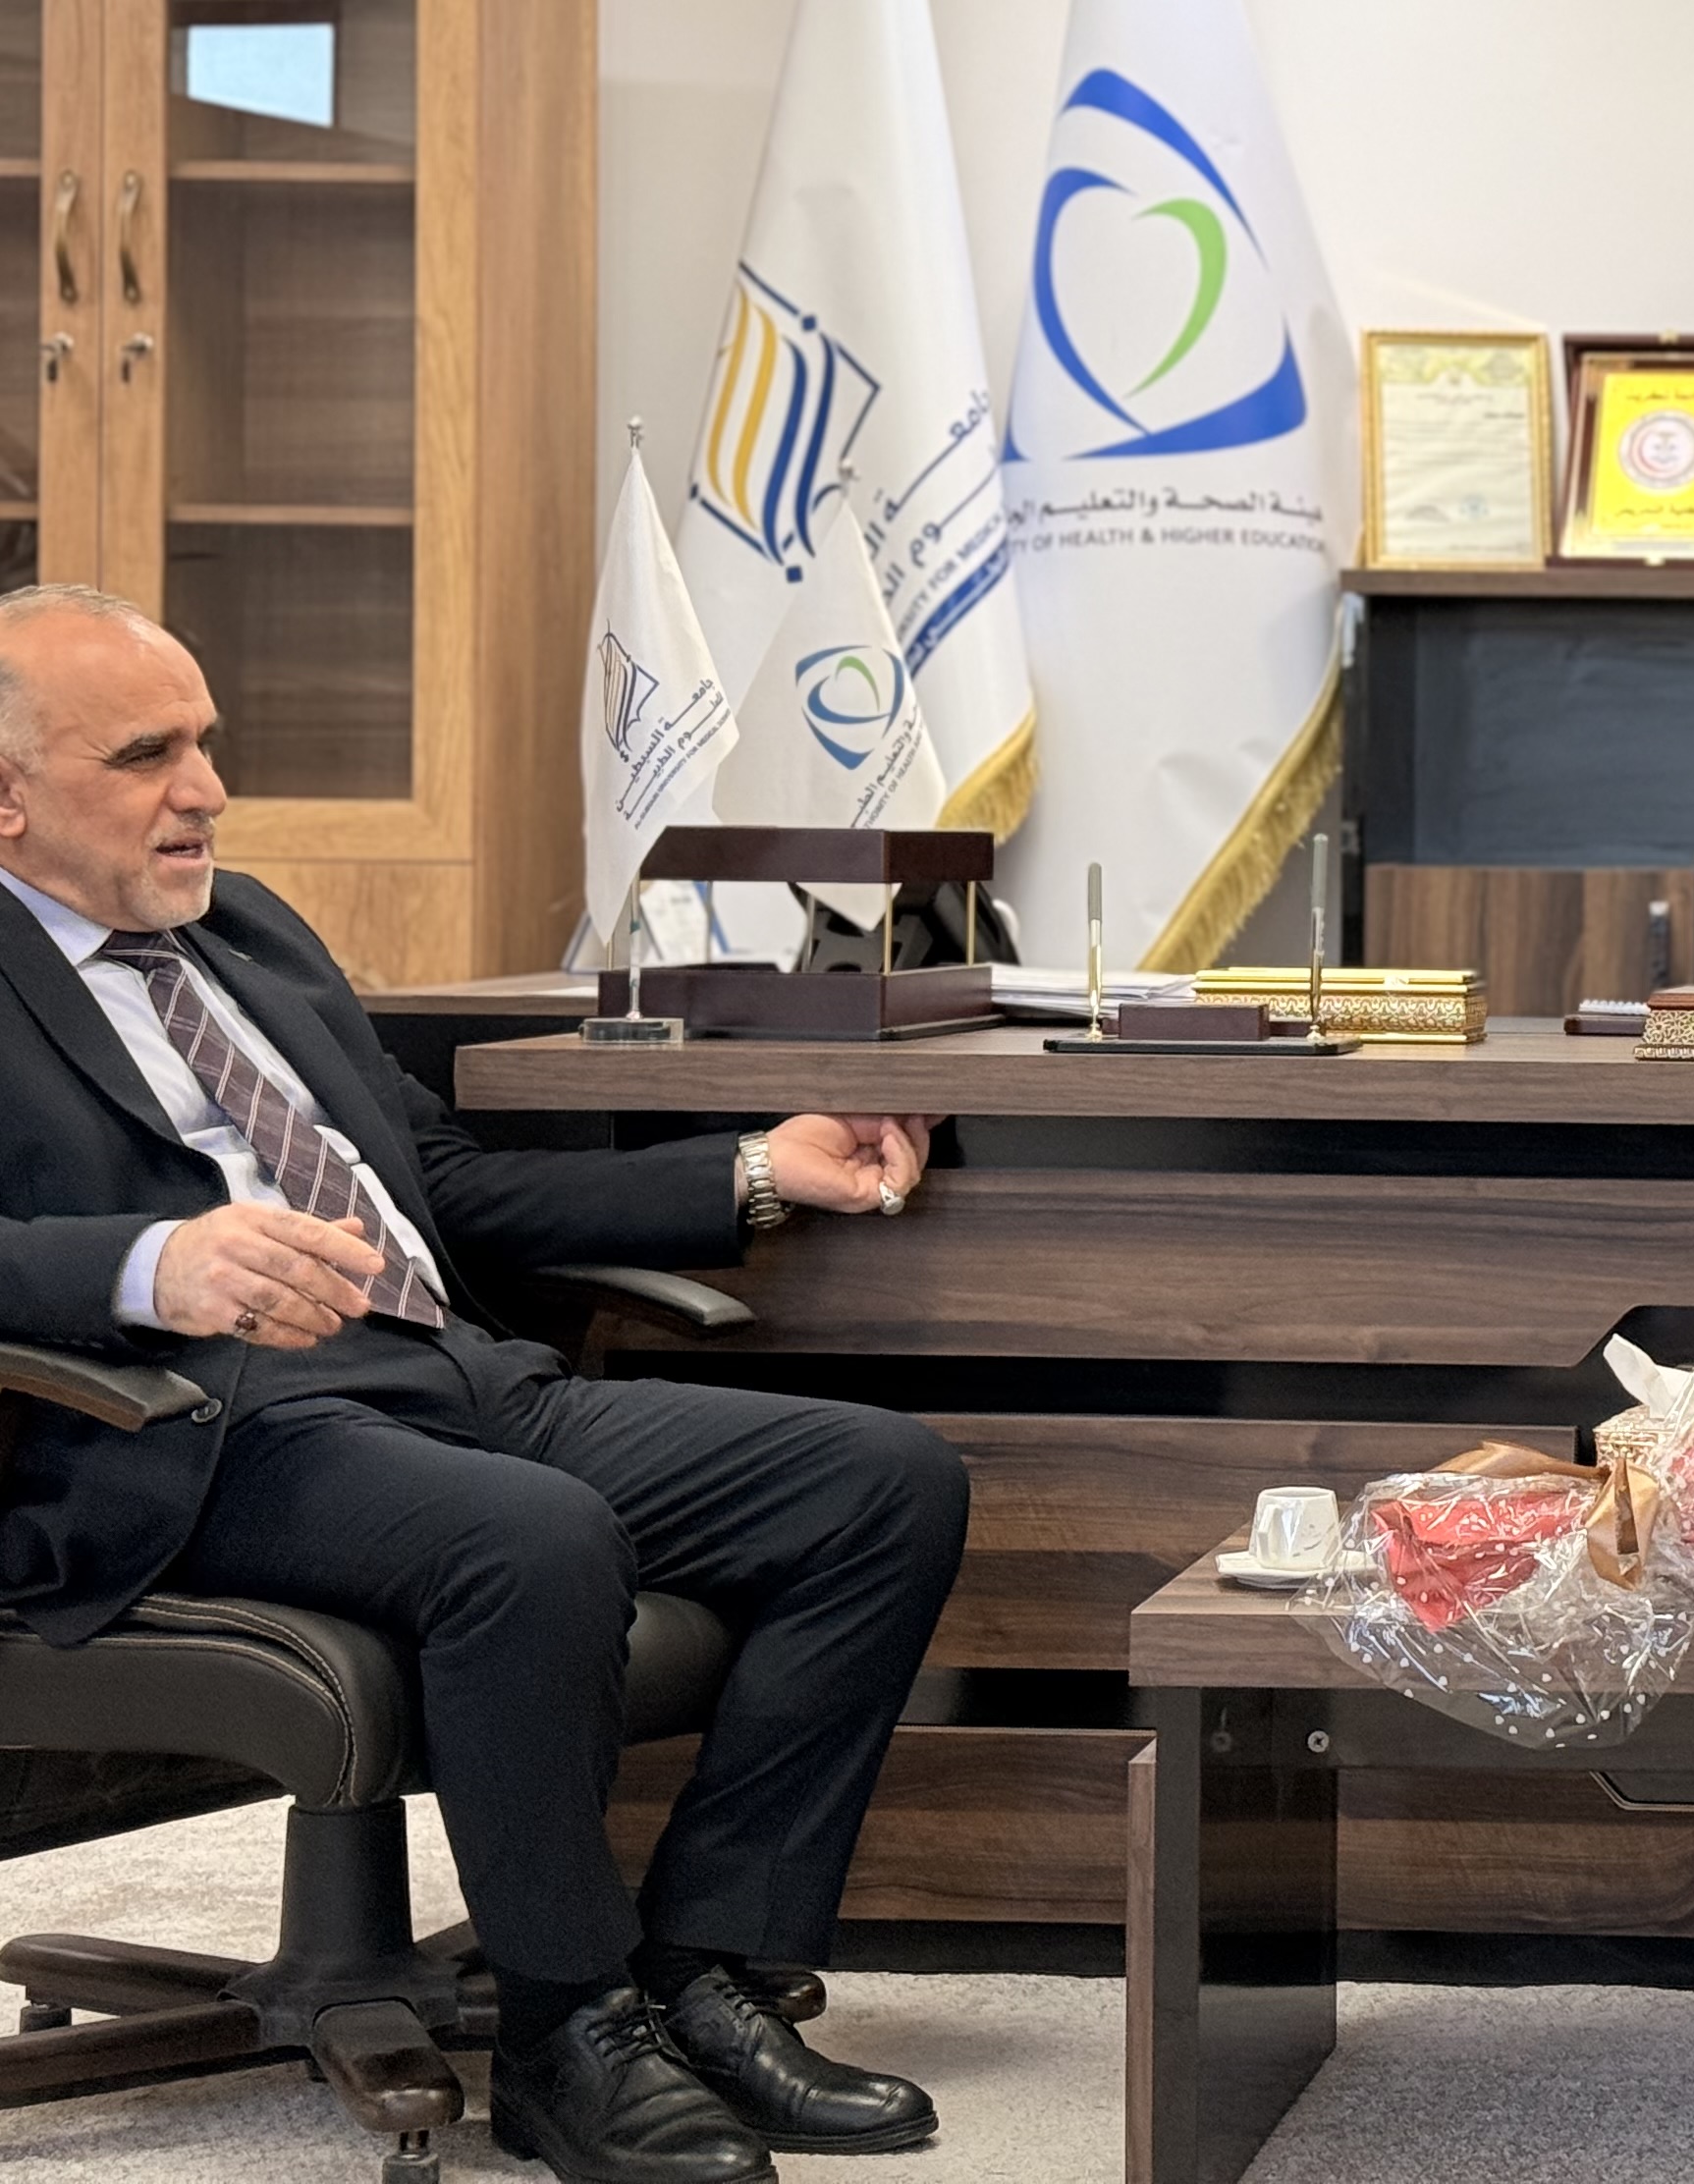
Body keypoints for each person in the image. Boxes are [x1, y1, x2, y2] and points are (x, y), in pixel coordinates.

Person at [0, 583, 973, 2184]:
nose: (207, 790)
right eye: (146, 755)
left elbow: (437, 1182)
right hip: (184, 1430)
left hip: (444, 1375)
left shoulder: (247, 929)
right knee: (528, 1538)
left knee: (879, 1488)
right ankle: (565, 2034)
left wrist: (748, 1170)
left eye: (208, 744)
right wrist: (148, 1265)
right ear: (10, 795)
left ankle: (703, 1978)